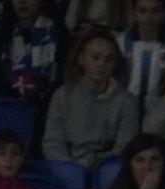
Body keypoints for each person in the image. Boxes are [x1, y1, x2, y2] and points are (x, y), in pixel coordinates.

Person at [42, 29, 139, 170]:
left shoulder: (127, 101)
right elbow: (52, 143)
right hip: (68, 168)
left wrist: (99, 166)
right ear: (82, 59)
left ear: (115, 64)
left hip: (107, 169)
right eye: (95, 57)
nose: (101, 64)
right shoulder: (62, 96)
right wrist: (72, 169)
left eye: (108, 59)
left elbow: (125, 147)